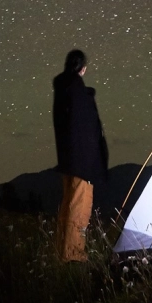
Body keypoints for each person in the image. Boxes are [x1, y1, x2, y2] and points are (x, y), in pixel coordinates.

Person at [51, 48, 108, 263]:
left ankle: (62, 252)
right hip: (82, 164)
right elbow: (88, 132)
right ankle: (73, 257)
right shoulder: (77, 93)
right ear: (82, 69)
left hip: (68, 161)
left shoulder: (63, 89)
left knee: (68, 206)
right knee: (79, 208)